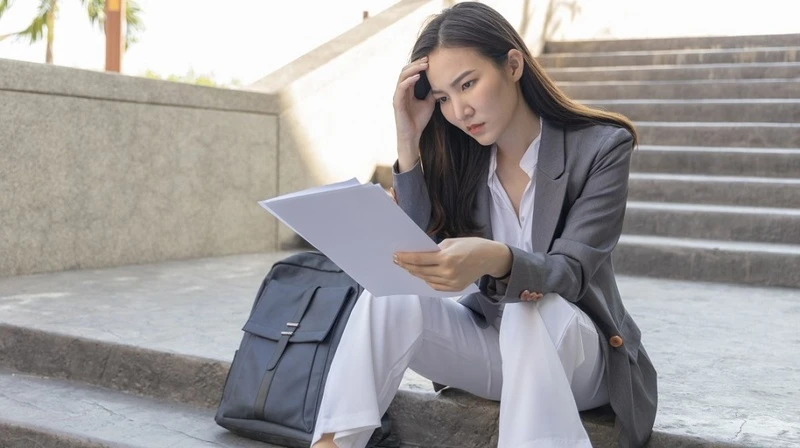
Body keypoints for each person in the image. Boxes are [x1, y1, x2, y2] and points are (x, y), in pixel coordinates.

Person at [311, 2, 657, 447]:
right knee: (391, 296)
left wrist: (497, 258)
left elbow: (568, 274)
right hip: (491, 351)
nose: (458, 112)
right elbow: (416, 254)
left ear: (513, 65)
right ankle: (334, 443)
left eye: (467, 85)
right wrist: (408, 137)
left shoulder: (601, 148)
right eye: (442, 99)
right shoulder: (463, 157)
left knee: (530, 307)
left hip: (580, 359)